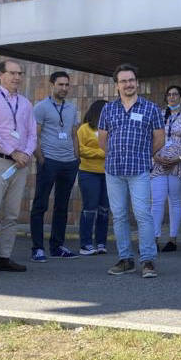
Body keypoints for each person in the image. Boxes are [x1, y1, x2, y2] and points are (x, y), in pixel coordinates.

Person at [100, 63, 165, 277]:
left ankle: (147, 261)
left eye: (131, 80)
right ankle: (125, 259)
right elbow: (102, 139)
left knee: (143, 215)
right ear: (117, 85)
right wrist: (116, 154)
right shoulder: (108, 109)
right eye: (123, 81)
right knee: (119, 216)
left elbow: (159, 139)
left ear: (137, 82)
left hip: (139, 170)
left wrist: (142, 154)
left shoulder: (151, 108)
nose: (128, 84)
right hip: (114, 170)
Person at [0, 60, 36, 276]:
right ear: (0, 75)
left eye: (20, 73)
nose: (17, 77)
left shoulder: (26, 104)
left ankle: (4, 257)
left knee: (12, 214)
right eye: (12, 73)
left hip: (20, 165)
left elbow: (32, 134)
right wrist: (13, 151)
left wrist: (27, 153)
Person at [29, 71, 80, 261]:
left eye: (67, 85)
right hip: (48, 161)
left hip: (69, 163)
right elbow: (35, 135)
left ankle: (57, 246)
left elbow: (74, 133)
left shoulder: (72, 108)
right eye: (60, 85)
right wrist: (41, 158)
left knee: (62, 206)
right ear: (52, 85)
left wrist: (77, 158)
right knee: (40, 205)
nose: (64, 88)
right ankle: (37, 248)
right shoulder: (41, 107)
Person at [152, 85, 181, 252]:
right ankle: (153, 239)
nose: (172, 97)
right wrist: (154, 155)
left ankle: (173, 239)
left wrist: (179, 158)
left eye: (175, 94)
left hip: (179, 164)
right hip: (159, 164)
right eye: (169, 95)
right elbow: (150, 137)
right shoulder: (159, 115)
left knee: (175, 201)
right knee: (157, 202)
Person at [76, 99, 109, 255]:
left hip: (108, 173)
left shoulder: (109, 128)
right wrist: (101, 153)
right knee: (90, 208)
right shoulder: (84, 129)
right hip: (88, 172)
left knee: (104, 209)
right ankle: (86, 244)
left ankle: (101, 242)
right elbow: (80, 150)